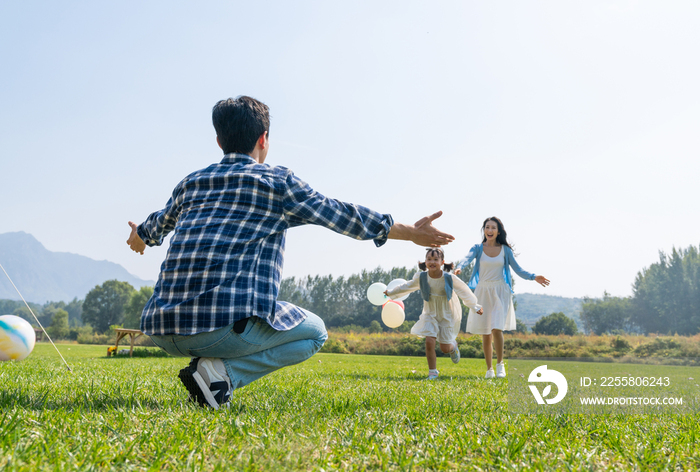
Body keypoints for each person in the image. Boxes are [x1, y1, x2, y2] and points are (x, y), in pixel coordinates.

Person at [126, 96, 456, 409]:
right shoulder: (277, 182)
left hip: (162, 327)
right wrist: (411, 234)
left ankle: (211, 373)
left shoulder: (191, 183)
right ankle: (221, 376)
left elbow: (154, 225)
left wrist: (139, 236)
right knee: (314, 332)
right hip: (218, 331)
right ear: (264, 139)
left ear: (218, 141)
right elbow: (342, 215)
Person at [454, 217, 549, 379]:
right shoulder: (478, 248)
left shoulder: (505, 250)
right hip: (483, 291)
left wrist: (534, 277)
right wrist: (459, 267)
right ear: (484, 230)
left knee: (496, 328)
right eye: (487, 227)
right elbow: (467, 258)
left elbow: (518, 270)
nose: (489, 230)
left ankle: (500, 364)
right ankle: (489, 369)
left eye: (493, 228)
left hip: (500, 292)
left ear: (498, 231)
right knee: (486, 331)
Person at [385, 248, 482, 380]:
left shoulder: (449, 278)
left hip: (446, 314)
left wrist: (475, 306)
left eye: (435, 259)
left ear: (442, 262)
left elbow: (464, 291)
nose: (432, 262)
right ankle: (433, 372)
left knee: (444, 348)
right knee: (429, 341)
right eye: (429, 259)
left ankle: (453, 346)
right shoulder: (422, 277)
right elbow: (407, 286)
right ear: (425, 262)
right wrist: (391, 292)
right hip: (430, 313)